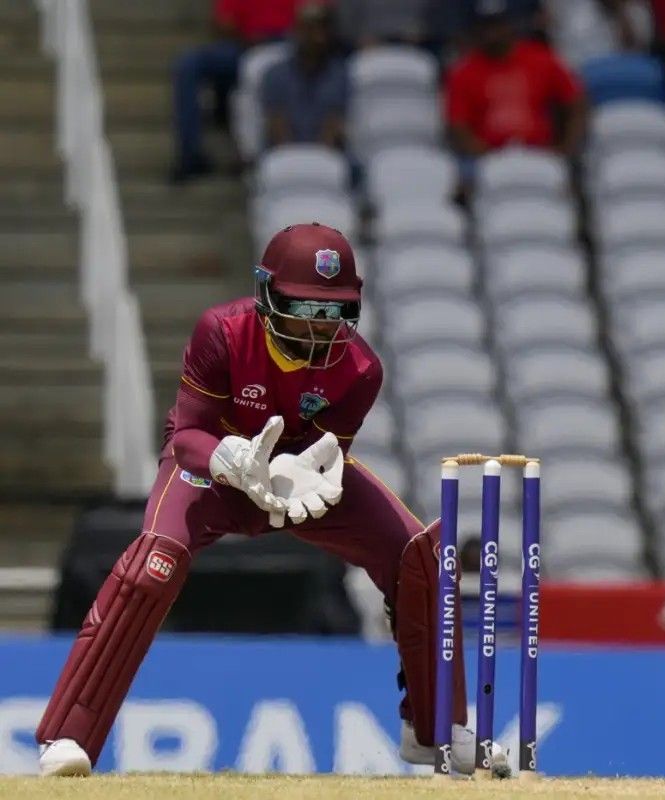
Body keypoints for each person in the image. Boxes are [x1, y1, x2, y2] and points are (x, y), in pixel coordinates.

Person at [35, 223, 507, 779]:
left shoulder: (361, 369)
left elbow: (331, 452)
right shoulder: (223, 331)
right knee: (153, 566)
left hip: (295, 482)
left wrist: (306, 471)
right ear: (266, 297)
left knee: (417, 553)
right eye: (303, 308)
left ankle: (436, 732)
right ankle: (69, 736)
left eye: (332, 313)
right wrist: (231, 460)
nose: (316, 328)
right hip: (212, 473)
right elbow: (187, 434)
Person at [444, 0, 587, 164]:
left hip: (541, 153)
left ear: (510, 25)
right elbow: (457, 126)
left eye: (497, 26)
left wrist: (564, 150)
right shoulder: (463, 72)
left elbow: (576, 104)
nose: (492, 34)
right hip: (485, 158)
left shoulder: (541, 58)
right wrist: (488, 157)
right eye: (485, 27)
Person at [171, 0, 298, 182]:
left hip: (291, 48)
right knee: (188, 65)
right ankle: (190, 157)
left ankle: (253, 156)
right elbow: (224, 22)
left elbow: (317, 18)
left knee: (257, 71)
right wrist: (246, 38)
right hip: (244, 45)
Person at [260, 2, 350, 151]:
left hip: (326, 155)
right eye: (310, 29)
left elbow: (333, 125)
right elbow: (277, 127)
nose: (317, 38)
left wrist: (316, 163)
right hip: (283, 154)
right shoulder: (274, 75)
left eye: (322, 29)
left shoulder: (340, 74)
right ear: (296, 31)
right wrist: (294, 163)